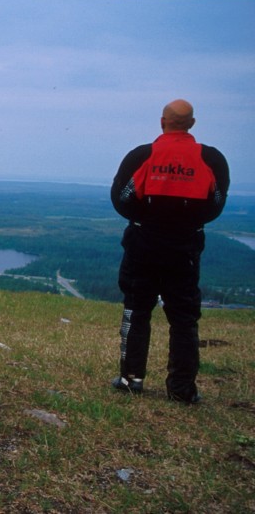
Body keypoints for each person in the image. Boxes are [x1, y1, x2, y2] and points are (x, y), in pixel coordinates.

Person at [110, 99, 230, 404]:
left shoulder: (143, 155)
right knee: (184, 317)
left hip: (143, 243)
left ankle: (130, 378)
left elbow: (121, 198)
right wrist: (187, 221)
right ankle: (181, 389)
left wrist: (147, 219)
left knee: (136, 309)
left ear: (162, 122)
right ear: (191, 124)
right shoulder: (211, 159)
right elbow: (216, 203)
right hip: (185, 246)